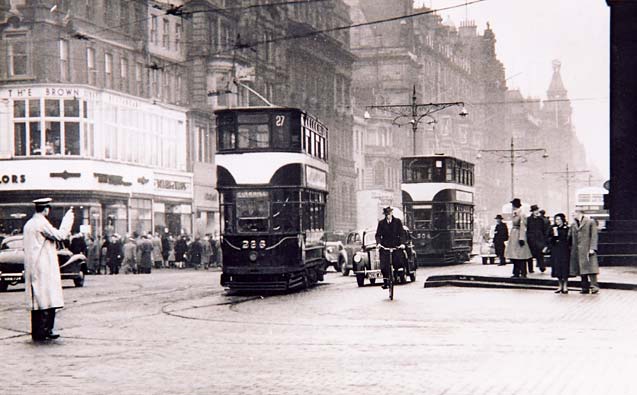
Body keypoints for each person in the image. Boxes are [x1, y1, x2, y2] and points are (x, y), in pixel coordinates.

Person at [23, 198, 74, 341]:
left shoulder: (29, 224)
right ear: (46, 209)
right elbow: (60, 235)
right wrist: (68, 220)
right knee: (48, 296)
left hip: (32, 265)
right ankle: (46, 329)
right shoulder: (42, 223)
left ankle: (37, 331)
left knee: (37, 299)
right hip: (44, 264)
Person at [570, 208, 600, 294]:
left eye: (574, 213)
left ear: (579, 213)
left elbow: (594, 235)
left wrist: (592, 248)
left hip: (587, 249)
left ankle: (594, 286)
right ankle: (584, 287)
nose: (573, 215)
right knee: (582, 269)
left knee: (591, 269)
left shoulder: (590, 222)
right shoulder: (574, 224)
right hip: (578, 250)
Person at [375, 206, 405, 289]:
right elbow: (378, 235)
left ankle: (396, 275)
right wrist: (379, 244)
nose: (388, 215)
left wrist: (402, 244)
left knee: (398, 262)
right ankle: (385, 282)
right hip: (385, 246)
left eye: (389, 213)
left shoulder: (397, 222)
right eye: (386, 214)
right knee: (384, 265)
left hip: (396, 245)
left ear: (392, 213)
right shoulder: (381, 223)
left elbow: (402, 234)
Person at [505, 198, 532, 278]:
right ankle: (516, 272)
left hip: (518, 235)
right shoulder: (515, 213)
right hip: (514, 235)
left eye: (513, 205)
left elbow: (523, 226)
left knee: (521, 256)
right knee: (515, 256)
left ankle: (523, 272)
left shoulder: (521, 214)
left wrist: (521, 238)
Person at [546, 213, 571, 293]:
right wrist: (553, 237)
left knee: (564, 267)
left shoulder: (566, 228)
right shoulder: (552, 228)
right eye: (556, 219)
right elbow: (548, 238)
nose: (557, 221)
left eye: (559, 220)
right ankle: (560, 285)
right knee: (557, 267)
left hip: (564, 250)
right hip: (555, 250)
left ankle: (565, 285)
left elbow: (568, 238)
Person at [527, 204, 548, 273]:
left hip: (539, 239)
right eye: (535, 210)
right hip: (531, 239)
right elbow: (527, 229)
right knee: (530, 254)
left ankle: (542, 266)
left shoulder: (540, 220)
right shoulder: (529, 219)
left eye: (537, 210)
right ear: (532, 212)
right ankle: (530, 268)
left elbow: (543, 229)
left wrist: (543, 239)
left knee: (540, 253)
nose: (536, 212)